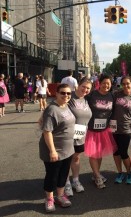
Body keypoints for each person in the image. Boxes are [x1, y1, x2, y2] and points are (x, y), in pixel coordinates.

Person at [39, 84, 75, 212]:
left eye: (68, 93)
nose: (66, 95)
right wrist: (53, 151)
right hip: (55, 150)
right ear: (56, 93)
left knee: (63, 175)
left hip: (68, 149)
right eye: (63, 93)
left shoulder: (66, 106)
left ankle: (60, 195)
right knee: (52, 175)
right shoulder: (52, 110)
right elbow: (47, 131)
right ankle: (49, 198)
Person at [84, 74, 117, 189]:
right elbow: (80, 103)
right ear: (99, 83)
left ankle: (95, 173)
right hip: (92, 129)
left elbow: (114, 112)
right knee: (93, 153)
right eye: (104, 83)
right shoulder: (92, 95)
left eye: (108, 84)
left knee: (100, 152)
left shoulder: (112, 96)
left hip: (104, 129)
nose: (106, 85)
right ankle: (97, 176)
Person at [64, 77, 92, 196]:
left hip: (81, 134)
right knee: (66, 160)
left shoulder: (86, 99)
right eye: (83, 87)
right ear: (78, 85)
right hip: (67, 134)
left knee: (76, 158)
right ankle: (65, 183)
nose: (85, 90)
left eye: (88, 88)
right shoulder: (69, 97)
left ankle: (75, 180)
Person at [111, 76, 131, 185]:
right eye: (123, 84)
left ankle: (129, 173)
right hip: (113, 128)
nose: (125, 86)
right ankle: (120, 172)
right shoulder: (116, 95)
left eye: (128, 83)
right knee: (116, 152)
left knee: (123, 152)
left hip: (126, 129)